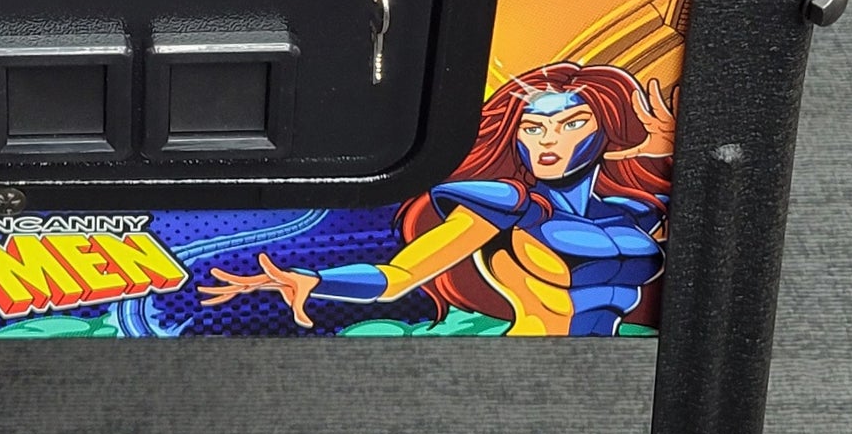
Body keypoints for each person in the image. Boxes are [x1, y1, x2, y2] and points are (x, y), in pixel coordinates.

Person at [198, 66, 674, 340]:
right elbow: (399, 276)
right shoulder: (509, 204)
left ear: (607, 128)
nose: (548, 140)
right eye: (533, 127)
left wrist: (668, 146)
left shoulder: (629, 210)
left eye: (572, 123)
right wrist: (317, 280)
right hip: (524, 363)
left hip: (611, 370)